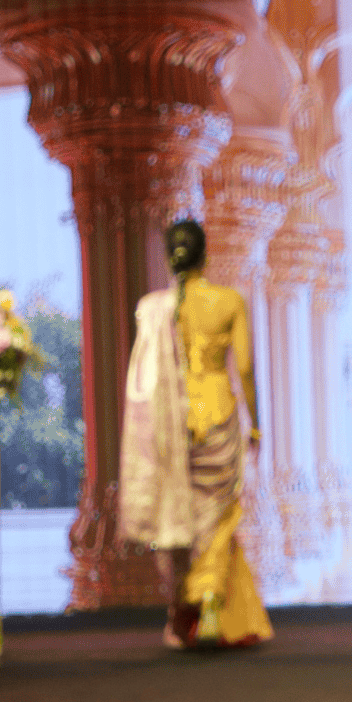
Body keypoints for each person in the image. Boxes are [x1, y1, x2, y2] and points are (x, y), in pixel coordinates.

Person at [119, 218, 271, 649]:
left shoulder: (154, 308)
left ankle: (181, 613)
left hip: (173, 421)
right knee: (218, 519)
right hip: (218, 414)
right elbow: (244, 367)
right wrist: (256, 423)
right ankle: (209, 604)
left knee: (177, 518)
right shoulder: (229, 300)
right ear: (206, 255)